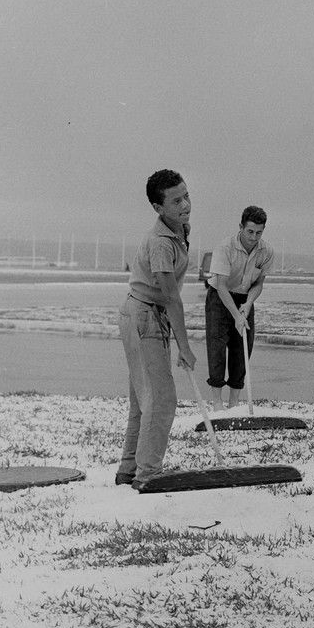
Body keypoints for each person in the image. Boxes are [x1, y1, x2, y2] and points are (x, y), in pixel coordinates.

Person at [116, 169, 196, 489]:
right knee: (161, 399)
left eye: (186, 196)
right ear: (159, 208)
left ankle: (128, 471)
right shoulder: (161, 242)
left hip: (143, 314)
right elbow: (171, 297)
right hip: (143, 316)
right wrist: (185, 347)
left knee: (143, 399)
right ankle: (147, 475)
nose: (185, 204)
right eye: (176, 201)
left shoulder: (179, 230)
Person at [205, 206, 275, 410]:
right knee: (217, 347)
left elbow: (259, 283)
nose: (254, 237)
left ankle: (234, 402)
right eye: (250, 232)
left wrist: (248, 304)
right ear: (241, 227)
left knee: (242, 348)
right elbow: (221, 285)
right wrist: (236, 316)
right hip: (220, 297)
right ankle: (217, 403)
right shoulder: (224, 248)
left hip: (245, 299)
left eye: (259, 232)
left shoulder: (267, 251)